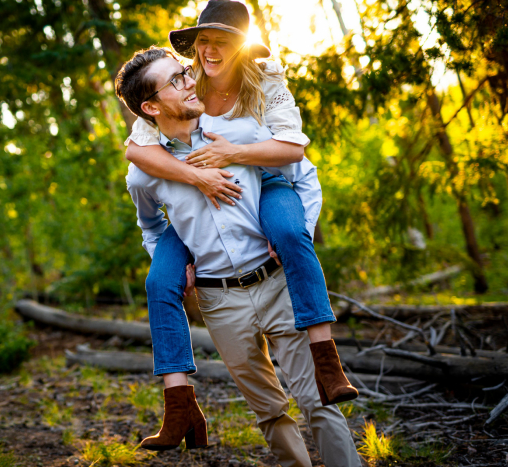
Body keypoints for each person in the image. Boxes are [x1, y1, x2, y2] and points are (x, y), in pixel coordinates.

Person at [117, 0, 356, 452]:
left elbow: (298, 164)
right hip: (219, 297)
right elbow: (146, 207)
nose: (201, 62)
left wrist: (294, 232)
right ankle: (181, 405)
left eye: (222, 41)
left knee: (318, 401)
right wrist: (171, 255)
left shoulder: (237, 126)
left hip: (275, 279)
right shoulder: (151, 157)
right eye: (201, 44)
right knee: (269, 410)